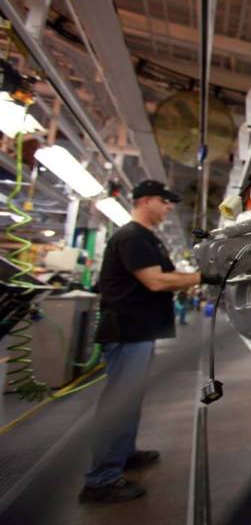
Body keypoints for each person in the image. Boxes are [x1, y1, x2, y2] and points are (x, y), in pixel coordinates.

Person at [80, 180, 220, 503]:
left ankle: (123, 455)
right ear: (145, 201)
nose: (169, 207)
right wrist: (205, 277)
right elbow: (156, 282)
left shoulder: (146, 239)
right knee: (119, 403)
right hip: (128, 331)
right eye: (164, 200)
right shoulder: (132, 237)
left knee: (129, 400)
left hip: (139, 331)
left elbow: (166, 280)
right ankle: (100, 479)